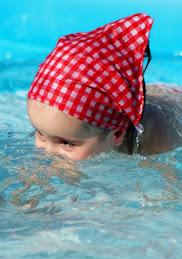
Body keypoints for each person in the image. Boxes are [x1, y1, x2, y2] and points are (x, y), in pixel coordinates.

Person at [27, 13, 182, 161]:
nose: (47, 153)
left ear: (117, 135)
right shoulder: (66, 130)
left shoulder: (160, 140)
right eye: (39, 133)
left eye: (66, 143)